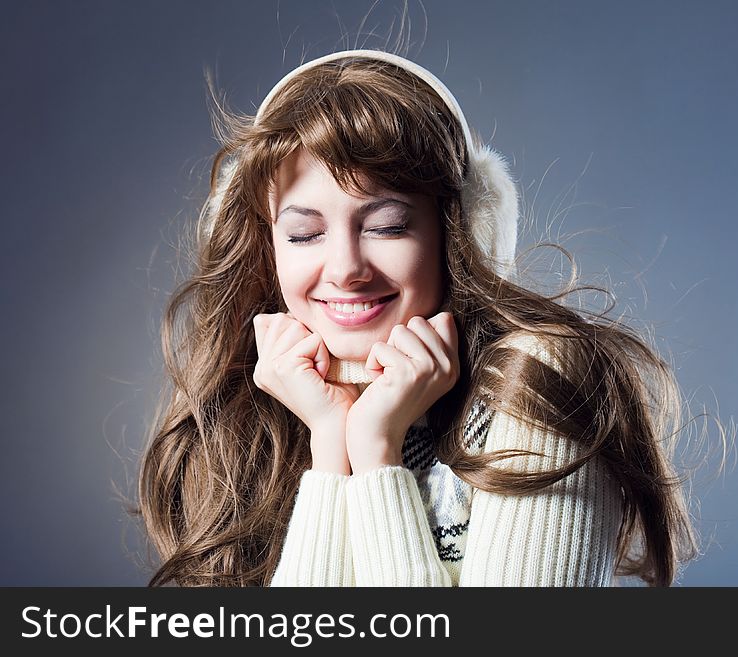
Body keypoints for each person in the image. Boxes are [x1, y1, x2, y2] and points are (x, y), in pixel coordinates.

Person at [138, 48, 699, 587]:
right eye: (305, 234)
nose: (345, 269)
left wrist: (379, 455)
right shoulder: (270, 404)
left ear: (459, 233)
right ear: (270, 249)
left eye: (386, 226)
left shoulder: (537, 380)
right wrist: (333, 444)